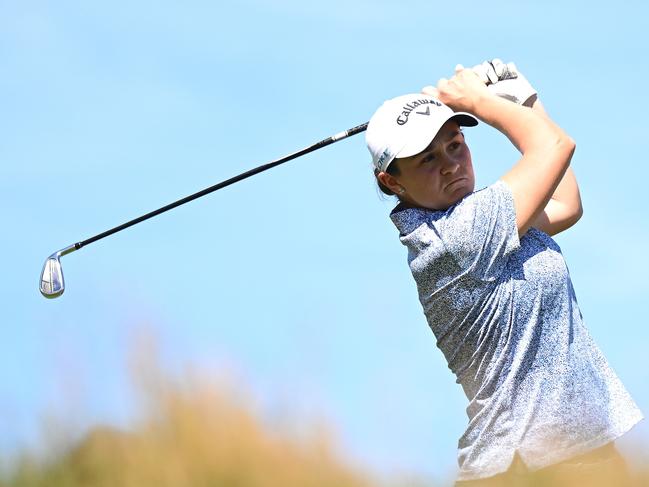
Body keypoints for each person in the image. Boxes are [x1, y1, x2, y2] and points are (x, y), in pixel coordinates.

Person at [365, 60, 643, 485]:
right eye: (427, 160)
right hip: (524, 464)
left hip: (573, 453)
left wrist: (525, 100)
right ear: (391, 182)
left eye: (455, 144)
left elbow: (566, 203)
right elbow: (555, 147)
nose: (450, 165)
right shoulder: (458, 237)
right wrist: (481, 101)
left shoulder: (487, 222)